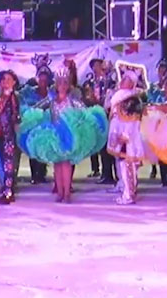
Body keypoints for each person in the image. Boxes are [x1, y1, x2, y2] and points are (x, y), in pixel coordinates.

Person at [20, 70, 107, 203]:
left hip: (69, 136)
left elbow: (85, 112)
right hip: (54, 134)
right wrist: (41, 107)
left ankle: (67, 193)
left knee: (66, 163)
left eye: (65, 83)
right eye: (60, 83)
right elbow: (37, 108)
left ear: (68, 85)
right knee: (57, 163)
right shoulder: (52, 100)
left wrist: (80, 123)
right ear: (56, 84)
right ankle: (60, 192)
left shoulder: (72, 100)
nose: (62, 85)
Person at [106, 71, 149, 205]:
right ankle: (125, 190)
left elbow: (133, 121)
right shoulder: (120, 96)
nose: (122, 81)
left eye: (126, 79)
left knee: (128, 166)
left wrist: (125, 136)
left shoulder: (132, 100)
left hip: (127, 139)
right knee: (122, 165)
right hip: (119, 138)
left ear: (131, 83)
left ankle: (129, 195)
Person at [0, 70, 22, 204]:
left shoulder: (13, 97)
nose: (5, 82)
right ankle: (6, 190)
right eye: (3, 80)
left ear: (14, 82)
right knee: (2, 162)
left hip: (9, 135)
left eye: (8, 79)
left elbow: (16, 116)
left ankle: (9, 192)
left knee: (9, 164)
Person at [82, 58, 117, 185]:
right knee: (102, 147)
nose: (96, 68)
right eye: (94, 66)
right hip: (98, 117)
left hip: (110, 116)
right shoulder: (91, 82)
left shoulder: (110, 81)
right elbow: (88, 98)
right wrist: (90, 99)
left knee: (112, 146)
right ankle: (106, 174)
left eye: (98, 65)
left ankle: (117, 175)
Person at [19, 65, 54, 186]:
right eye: (41, 79)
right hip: (33, 125)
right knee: (33, 149)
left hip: (47, 125)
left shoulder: (51, 93)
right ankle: (34, 175)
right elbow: (20, 99)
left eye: (45, 80)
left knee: (44, 148)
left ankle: (41, 174)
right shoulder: (29, 91)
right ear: (37, 79)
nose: (43, 82)